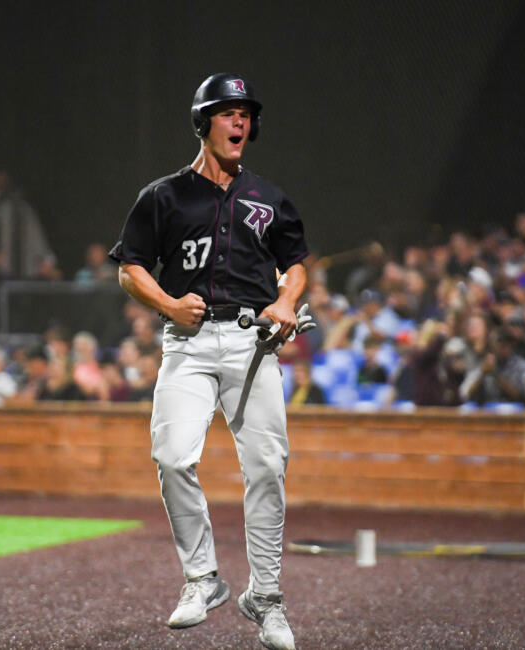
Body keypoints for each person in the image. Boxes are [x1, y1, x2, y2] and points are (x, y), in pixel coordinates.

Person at [109, 73, 309, 650]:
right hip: (188, 344)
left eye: (245, 113)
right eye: (227, 112)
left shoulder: (269, 197)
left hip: (253, 344)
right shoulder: (164, 195)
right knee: (171, 458)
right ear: (203, 122)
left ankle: (265, 598)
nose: (240, 121)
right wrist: (171, 303)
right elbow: (129, 267)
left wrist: (287, 300)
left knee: (268, 468)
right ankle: (203, 579)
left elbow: (295, 264)